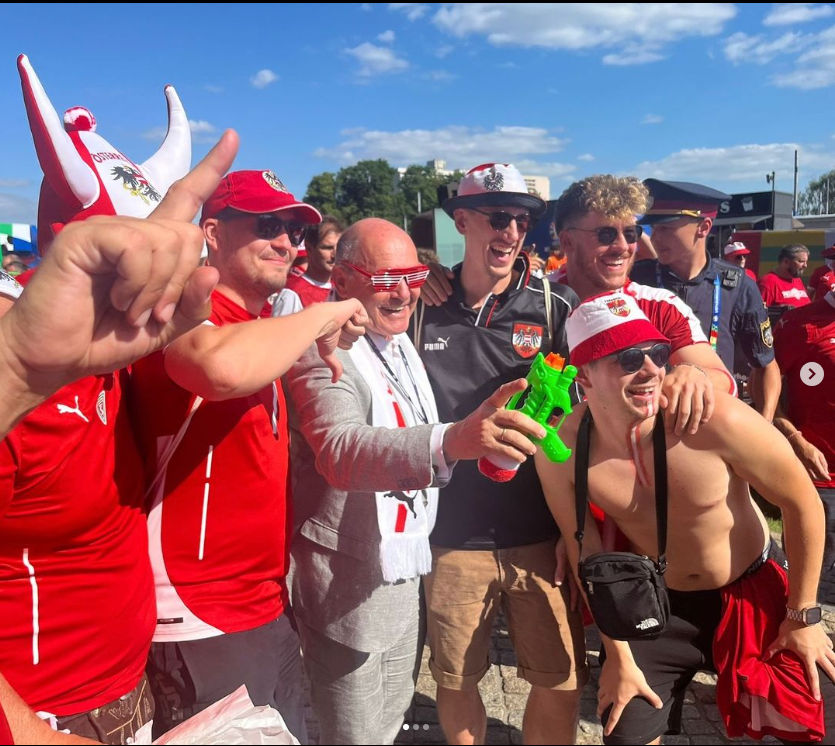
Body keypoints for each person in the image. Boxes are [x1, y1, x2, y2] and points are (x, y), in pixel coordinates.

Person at [0, 131, 239, 743]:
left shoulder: (112, 359)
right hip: (51, 712)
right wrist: (31, 733)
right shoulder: (27, 374)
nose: (172, 274)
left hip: (128, 691)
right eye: (138, 255)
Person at [284, 217, 546, 745]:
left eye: (413, 274)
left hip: (404, 565)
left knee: (392, 717)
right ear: (341, 281)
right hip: (348, 584)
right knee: (353, 735)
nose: (404, 292)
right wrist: (451, 441)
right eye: (385, 280)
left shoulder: (402, 337)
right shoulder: (322, 347)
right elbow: (340, 449)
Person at [537, 291, 835, 745]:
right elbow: (586, 550)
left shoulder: (714, 421)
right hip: (655, 606)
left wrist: (805, 615)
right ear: (585, 375)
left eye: (658, 353)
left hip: (753, 594)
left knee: (820, 719)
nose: (653, 369)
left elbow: (802, 503)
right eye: (629, 358)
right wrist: (616, 654)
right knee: (623, 731)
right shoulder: (563, 448)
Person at [130, 169, 366, 741]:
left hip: (258, 599)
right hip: (197, 605)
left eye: (293, 229)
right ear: (212, 231)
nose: (287, 241)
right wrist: (322, 315)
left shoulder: (259, 325)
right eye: (268, 225)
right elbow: (220, 368)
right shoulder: (183, 313)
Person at [410, 163, 587, 745]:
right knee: (457, 680)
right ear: (461, 221)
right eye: (498, 217)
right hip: (450, 534)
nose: (512, 231)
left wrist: (574, 528)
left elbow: (584, 414)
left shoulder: (555, 305)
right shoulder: (418, 306)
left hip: (538, 533)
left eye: (522, 220)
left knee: (559, 678)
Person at [553, 175, 733, 434]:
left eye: (630, 233)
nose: (622, 247)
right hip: (544, 465)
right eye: (605, 235)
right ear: (567, 241)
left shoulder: (660, 306)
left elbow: (723, 379)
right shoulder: (536, 301)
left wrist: (696, 375)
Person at [631, 178, 781, 421]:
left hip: (713, 425)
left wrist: (764, 425)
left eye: (666, 229)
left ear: (704, 227)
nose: (655, 238)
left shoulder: (738, 285)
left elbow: (765, 364)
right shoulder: (637, 280)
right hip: (648, 423)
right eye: (653, 228)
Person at [774, 289, 835, 579]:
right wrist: (795, 439)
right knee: (809, 589)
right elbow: (766, 398)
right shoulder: (798, 324)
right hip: (821, 479)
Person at [273, 214, 344, 316]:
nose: (335, 255)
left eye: (339, 248)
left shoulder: (342, 290)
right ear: (309, 248)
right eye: (327, 248)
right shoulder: (292, 294)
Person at [758, 243, 811, 311]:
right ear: (786, 261)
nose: (805, 265)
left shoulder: (797, 280)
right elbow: (758, 312)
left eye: (806, 262)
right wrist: (780, 310)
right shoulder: (768, 282)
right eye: (801, 261)